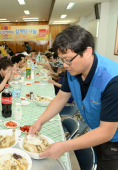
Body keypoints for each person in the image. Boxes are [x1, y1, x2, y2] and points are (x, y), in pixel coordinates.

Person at [29, 25, 118, 170]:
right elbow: (60, 98)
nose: (65, 65)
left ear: (87, 51)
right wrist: (39, 122)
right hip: (95, 131)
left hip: (114, 141)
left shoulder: (112, 80)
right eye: (61, 59)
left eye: (68, 59)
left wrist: (64, 146)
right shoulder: (73, 70)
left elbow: (106, 132)